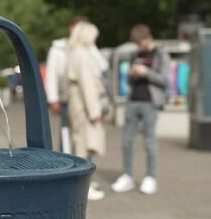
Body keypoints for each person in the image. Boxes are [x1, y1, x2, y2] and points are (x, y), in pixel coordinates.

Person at [111, 24, 170, 195]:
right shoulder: (134, 55)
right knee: (127, 141)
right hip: (133, 101)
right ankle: (127, 176)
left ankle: (151, 177)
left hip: (150, 103)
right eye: (136, 43)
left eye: (140, 43)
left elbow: (165, 80)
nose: (138, 46)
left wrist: (146, 72)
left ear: (149, 38)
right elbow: (129, 83)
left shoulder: (160, 54)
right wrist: (132, 75)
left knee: (149, 142)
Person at [45, 17, 108, 154]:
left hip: (76, 101)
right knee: (80, 141)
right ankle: (77, 172)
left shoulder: (80, 51)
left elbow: (103, 65)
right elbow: (87, 85)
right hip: (80, 103)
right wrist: (94, 111)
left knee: (76, 138)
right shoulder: (78, 53)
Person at [66, 21, 106, 201]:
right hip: (83, 105)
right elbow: (87, 85)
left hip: (78, 104)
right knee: (82, 146)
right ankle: (82, 188)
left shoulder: (75, 52)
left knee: (81, 144)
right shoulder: (81, 54)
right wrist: (94, 111)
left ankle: (83, 185)